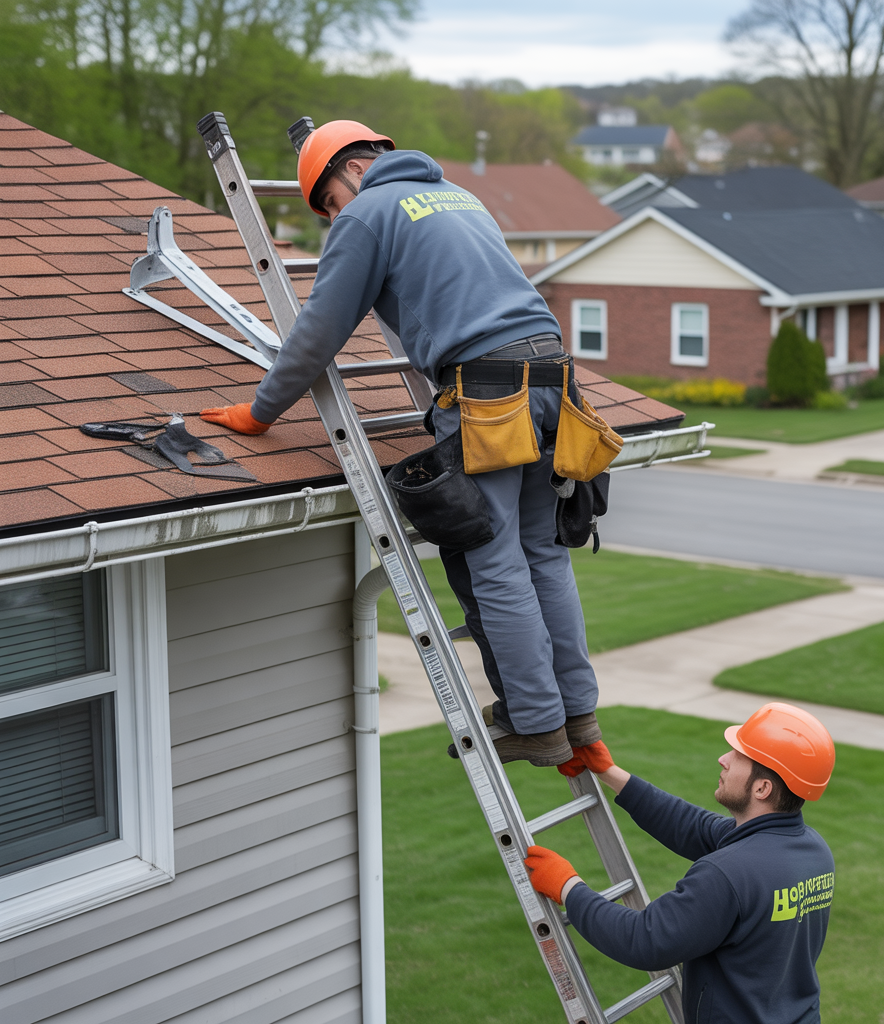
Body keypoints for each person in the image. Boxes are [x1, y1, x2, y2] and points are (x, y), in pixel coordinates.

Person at [200, 120, 604, 768]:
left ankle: (536, 722)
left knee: (495, 561)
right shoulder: (459, 196)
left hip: (489, 394)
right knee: (544, 553)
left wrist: (259, 410)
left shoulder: (368, 214)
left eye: (330, 202)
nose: (335, 216)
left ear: (355, 171)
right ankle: (577, 712)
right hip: (555, 381)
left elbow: (319, 330)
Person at [527, 702, 837, 1024]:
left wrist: (568, 887)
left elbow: (644, 940)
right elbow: (694, 826)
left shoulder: (727, 874)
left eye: (738, 756)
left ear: (762, 788)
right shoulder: (813, 850)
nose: (724, 759)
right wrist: (611, 773)